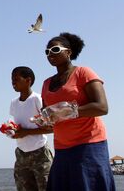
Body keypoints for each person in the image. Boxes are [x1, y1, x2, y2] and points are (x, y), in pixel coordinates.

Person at [40, 32, 116, 190]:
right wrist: (43, 119)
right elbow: (47, 114)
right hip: (61, 148)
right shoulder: (46, 83)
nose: (50, 54)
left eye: (54, 49)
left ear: (68, 52)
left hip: (89, 145)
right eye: (47, 52)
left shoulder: (84, 73)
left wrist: (66, 112)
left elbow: (102, 107)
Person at [9, 66, 53, 191]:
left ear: (28, 80)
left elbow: (51, 128)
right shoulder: (14, 103)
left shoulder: (37, 99)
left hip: (40, 153)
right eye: (12, 79)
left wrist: (26, 133)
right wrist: (13, 131)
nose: (13, 82)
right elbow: (19, 126)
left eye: (16, 79)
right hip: (21, 154)